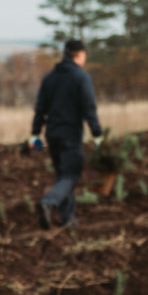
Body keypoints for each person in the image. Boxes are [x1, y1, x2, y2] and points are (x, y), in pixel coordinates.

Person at [30, 38, 103, 230]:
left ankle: (68, 218)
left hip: (52, 135)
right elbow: (89, 108)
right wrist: (97, 134)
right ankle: (49, 202)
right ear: (79, 55)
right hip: (70, 134)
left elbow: (40, 109)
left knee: (63, 176)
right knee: (71, 175)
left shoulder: (50, 78)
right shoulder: (81, 77)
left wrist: (35, 133)